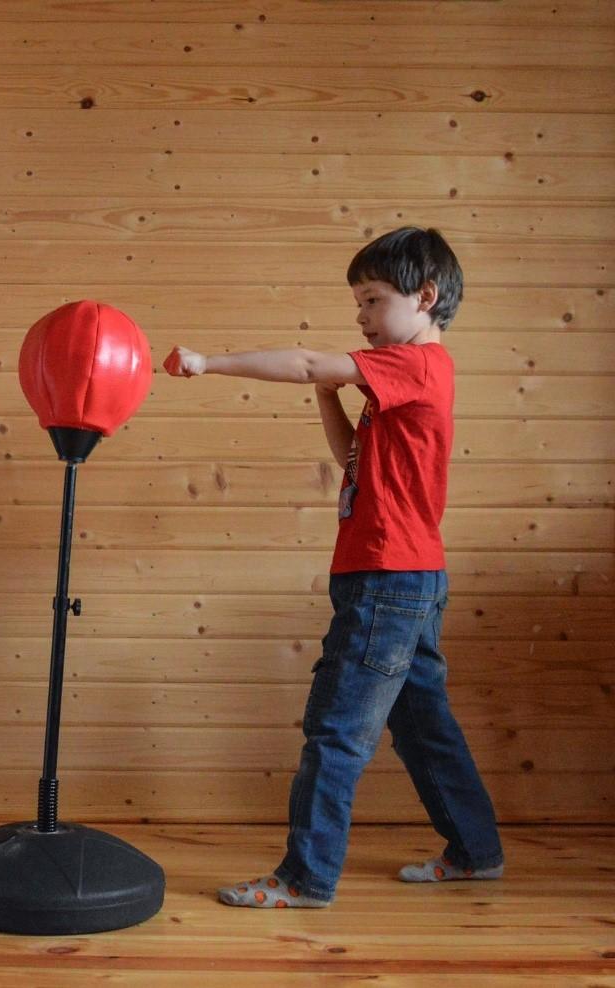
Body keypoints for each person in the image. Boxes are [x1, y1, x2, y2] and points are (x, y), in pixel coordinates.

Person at [164, 227, 503, 907]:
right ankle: (476, 851)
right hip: (401, 577)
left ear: (426, 297)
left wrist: (210, 362)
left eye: (373, 299)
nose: (362, 317)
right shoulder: (402, 382)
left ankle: (304, 877)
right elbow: (353, 452)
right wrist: (329, 397)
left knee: (336, 728)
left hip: (389, 579)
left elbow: (311, 363)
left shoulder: (419, 365)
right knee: (421, 724)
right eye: (359, 303)